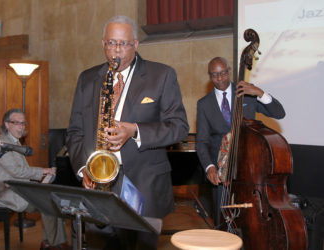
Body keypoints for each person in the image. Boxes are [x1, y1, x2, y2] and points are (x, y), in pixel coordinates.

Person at [66, 15, 189, 249]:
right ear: (103, 43)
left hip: (146, 185)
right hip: (100, 181)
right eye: (111, 43)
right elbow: (75, 131)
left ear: (136, 44)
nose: (116, 51)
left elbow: (179, 127)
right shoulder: (88, 78)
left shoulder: (161, 75)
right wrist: (85, 170)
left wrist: (135, 130)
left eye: (123, 44)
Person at [196, 57, 286, 226]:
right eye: (215, 75)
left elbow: (279, 113)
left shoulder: (247, 94)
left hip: (250, 170)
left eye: (223, 73)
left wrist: (259, 92)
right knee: (222, 221)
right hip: (222, 175)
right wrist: (209, 167)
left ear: (229, 71)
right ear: (209, 76)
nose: (220, 78)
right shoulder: (204, 104)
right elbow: (202, 141)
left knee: (252, 221)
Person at [0, 108, 70, 250]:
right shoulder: (0, 144)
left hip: (18, 189)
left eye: (23, 123)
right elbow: (16, 171)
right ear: (7, 125)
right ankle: (53, 244)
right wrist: (44, 171)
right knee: (48, 202)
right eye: (17, 123)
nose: (21, 127)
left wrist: (41, 177)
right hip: (3, 192)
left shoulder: (15, 142)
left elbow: (21, 172)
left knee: (54, 198)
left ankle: (51, 242)